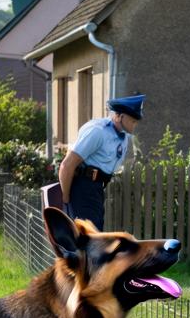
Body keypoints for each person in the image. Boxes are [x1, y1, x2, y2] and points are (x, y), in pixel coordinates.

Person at [59, 94, 144, 231]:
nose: (135, 125)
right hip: (83, 187)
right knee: (90, 237)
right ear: (119, 116)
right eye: (133, 121)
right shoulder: (97, 132)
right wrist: (65, 200)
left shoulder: (124, 137)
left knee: (94, 234)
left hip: (97, 188)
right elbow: (67, 165)